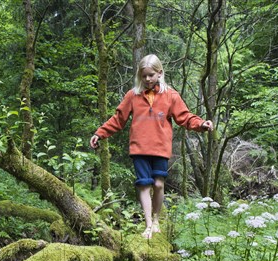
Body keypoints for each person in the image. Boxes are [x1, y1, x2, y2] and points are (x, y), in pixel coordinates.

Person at [90, 54, 213, 239]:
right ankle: (148, 224)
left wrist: (201, 124)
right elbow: (118, 119)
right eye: (144, 76)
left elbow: (185, 117)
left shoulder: (170, 95)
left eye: (151, 75)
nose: (147, 79)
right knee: (144, 185)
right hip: (139, 148)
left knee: (158, 183)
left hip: (160, 148)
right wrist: (100, 133)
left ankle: (156, 220)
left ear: (159, 73)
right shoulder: (133, 95)